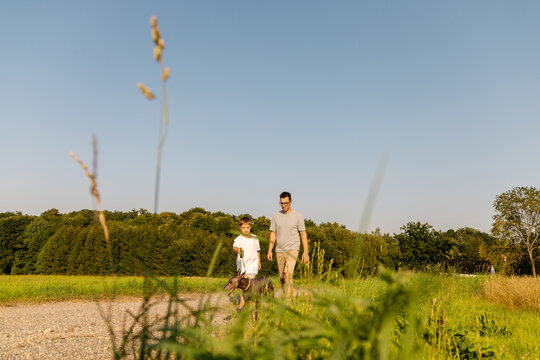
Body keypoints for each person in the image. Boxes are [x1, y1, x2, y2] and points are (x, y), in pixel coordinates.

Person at [267, 191, 309, 298]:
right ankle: (287, 297)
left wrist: (305, 252)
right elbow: (273, 234)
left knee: (287, 274)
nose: (283, 205)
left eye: (286, 203)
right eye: (281, 203)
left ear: (291, 202)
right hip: (279, 250)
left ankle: (289, 302)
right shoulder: (276, 216)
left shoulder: (298, 216)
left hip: (293, 249)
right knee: (282, 278)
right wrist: (269, 250)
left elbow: (303, 234)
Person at [232, 216, 261, 308]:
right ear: (240, 228)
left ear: (250, 227)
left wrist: (259, 262)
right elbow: (235, 248)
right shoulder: (238, 239)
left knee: (247, 285)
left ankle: (242, 306)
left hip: (253, 265)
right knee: (246, 286)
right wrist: (238, 250)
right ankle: (246, 304)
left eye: (247, 227)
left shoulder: (254, 238)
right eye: (243, 228)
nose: (246, 230)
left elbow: (258, 250)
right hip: (243, 266)